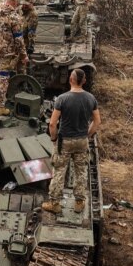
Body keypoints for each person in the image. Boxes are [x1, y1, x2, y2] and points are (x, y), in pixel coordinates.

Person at [44, 69, 100, 215]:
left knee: (59, 171)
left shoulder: (62, 99)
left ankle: (55, 204)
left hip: (65, 141)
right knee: (81, 172)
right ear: (84, 81)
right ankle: (79, 202)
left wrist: (54, 138)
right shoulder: (91, 98)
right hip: (82, 141)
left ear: (70, 80)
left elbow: (52, 123)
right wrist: (87, 135)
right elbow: (97, 121)